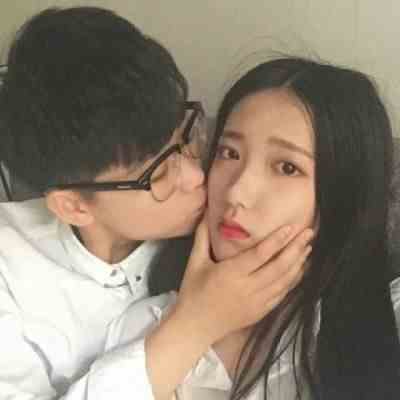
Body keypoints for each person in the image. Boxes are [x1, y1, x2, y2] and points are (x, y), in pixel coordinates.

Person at [0, 8, 310, 399]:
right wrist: (197, 324)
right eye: (159, 174)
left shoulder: (233, 225)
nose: (197, 176)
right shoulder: (12, 267)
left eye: (186, 136)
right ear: (74, 206)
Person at [103, 57, 400, 400]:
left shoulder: (383, 328)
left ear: (345, 196)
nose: (236, 192)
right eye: (229, 153)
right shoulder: (141, 323)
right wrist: (194, 325)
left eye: (287, 167)